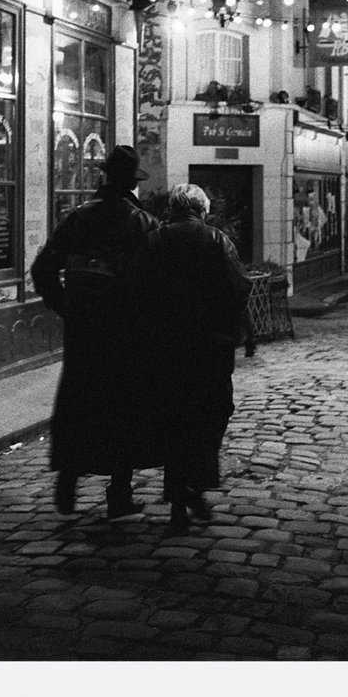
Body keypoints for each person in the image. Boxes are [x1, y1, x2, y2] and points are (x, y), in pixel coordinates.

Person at [29, 144, 155, 519]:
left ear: (105, 176)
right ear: (132, 183)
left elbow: (42, 269)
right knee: (124, 409)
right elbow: (158, 280)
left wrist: (66, 306)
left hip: (84, 329)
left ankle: (68, 479)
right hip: (127, 331)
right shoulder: (143, 223)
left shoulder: (79, 218)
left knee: (78, 402)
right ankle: (119, 493)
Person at [142, 184, 253, 534]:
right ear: (202, 210)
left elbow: (135, 293)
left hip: (166, 348)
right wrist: (235, 329)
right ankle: (196, 484)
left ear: (172, 210)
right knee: (213, 413)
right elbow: (240, 289)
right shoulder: (217, 241)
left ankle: (179, 497)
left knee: (174, 419)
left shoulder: (153, 242)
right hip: (210, 348)